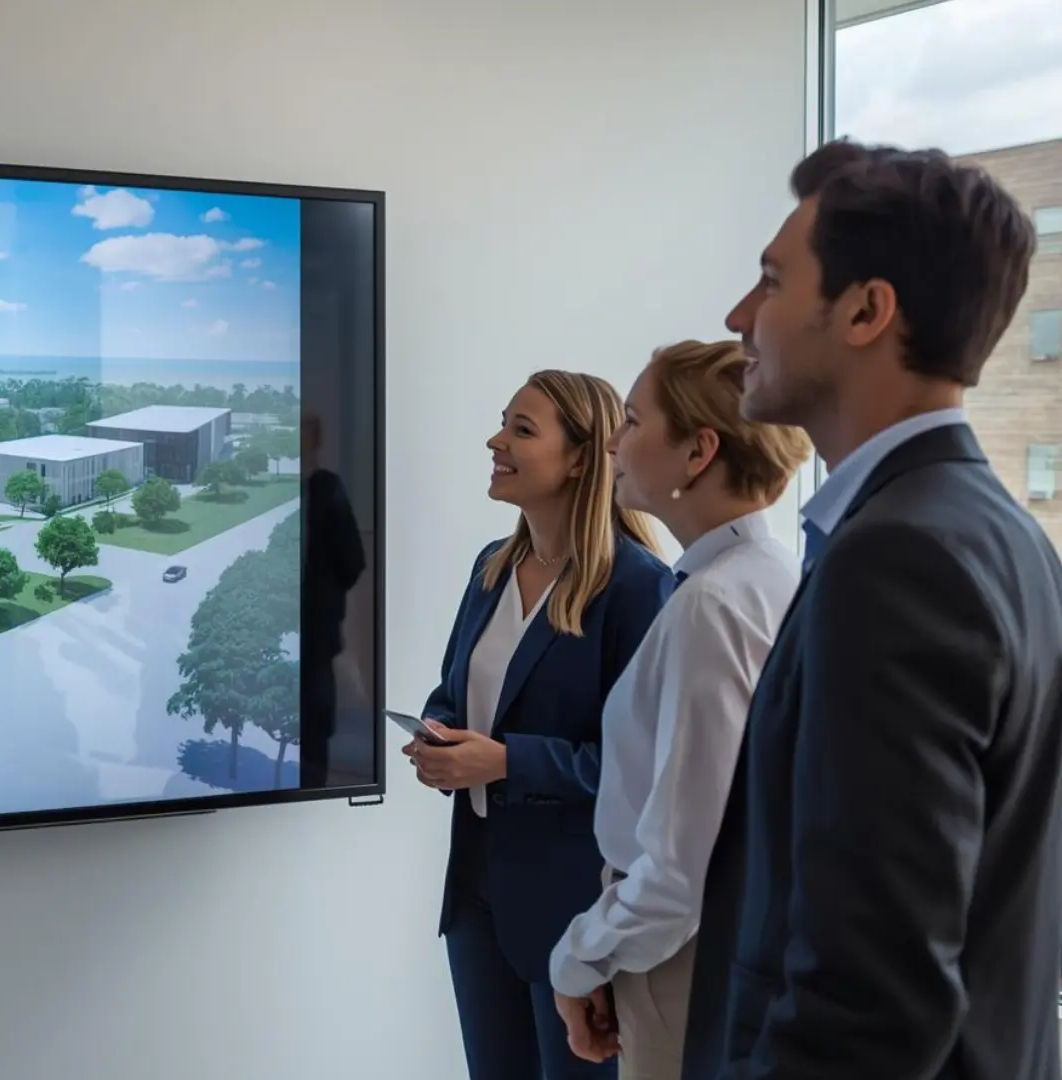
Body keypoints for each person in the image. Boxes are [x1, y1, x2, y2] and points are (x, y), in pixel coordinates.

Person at [683, 140, 1062, 1080]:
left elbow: (871, 998)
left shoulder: (898, 560)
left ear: (865, 310)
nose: (739, 318)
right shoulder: (1004, 538)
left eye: (771, 281)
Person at [545, 340, 810, 1078]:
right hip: (713, 942)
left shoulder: (713, 606)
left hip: (677, 958)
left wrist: (578, 957)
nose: (615, 442)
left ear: (699, 451)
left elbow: (678, 869)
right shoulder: (772, 575)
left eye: (632, 420)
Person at [403, 369, 674, 1080]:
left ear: (582, 457)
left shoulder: (639, 588)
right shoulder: (490, 570)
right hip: (477, 899)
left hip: (577, 910)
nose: (496, 440)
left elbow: (643, 767)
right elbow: (451, 696)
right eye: (504, 423)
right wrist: (439, 738)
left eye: (521, 429)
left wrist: (504, 763)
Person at [299, 410, 366, 789]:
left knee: (313, 724)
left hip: (316, 636)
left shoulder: (327, 490)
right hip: (298, 634)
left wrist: (322, 599)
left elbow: (353, 560)